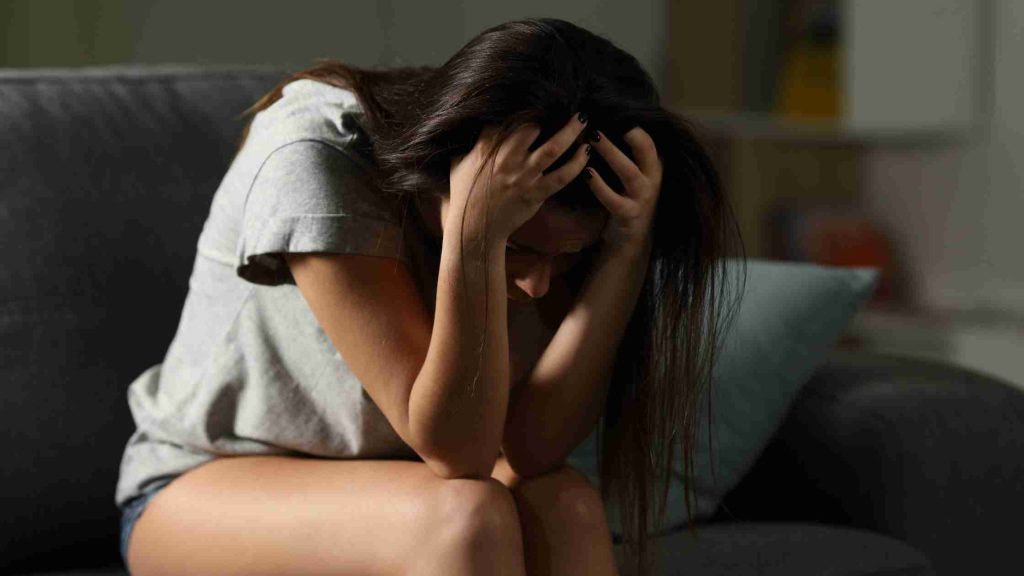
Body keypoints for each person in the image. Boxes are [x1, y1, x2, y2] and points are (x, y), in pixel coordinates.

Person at [116, 16, 745, 576]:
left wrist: (624, 251)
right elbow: (463, 454)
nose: (536, 286)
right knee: (467, 516)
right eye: (521, 251)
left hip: (408, 484)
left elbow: (531, 447)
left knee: (568, 506)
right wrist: (476, 236)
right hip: (201, 485)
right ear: (438, 178)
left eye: (568, 257)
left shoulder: (560, 194)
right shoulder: (314, 155)